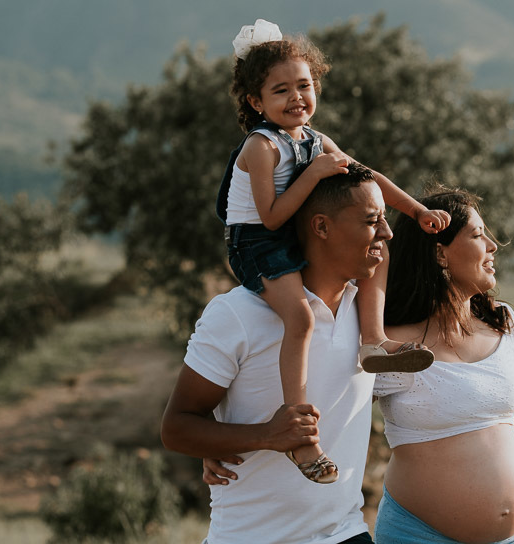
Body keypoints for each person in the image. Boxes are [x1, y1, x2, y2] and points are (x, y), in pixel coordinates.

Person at [218, 19, 447, 483]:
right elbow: (272, 217)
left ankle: (372, 340)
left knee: (376, 249)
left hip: (293, 229)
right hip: (258, 244)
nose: (296, 97)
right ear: (255, 102)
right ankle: (299, 435)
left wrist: (416, 209)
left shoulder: (315, 139)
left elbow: (367, 178)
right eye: (280, 91)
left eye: (304, 85)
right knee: (299, 319)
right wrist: (316, 172)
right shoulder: (261, 147)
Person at [162, 163, 400, 544]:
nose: (387, 233)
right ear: (321, 227)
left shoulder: (372, 313)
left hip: (348, 534)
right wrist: (266, 436)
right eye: (372, 220)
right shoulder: (237, 314)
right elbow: (176, 429)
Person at [372, 187, 514, 544]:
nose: (492, 245)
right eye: (477, 234)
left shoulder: (503, 322)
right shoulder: (389, 344)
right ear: (440, 254)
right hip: (421, 535)